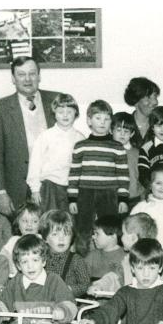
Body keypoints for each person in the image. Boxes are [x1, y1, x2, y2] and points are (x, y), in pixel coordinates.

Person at [0, 56, 61, 213]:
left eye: (32, 73)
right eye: (21, 74)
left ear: (39, 76)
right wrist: (1, 192)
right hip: (17, 189)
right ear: (13, 79)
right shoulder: (1, 107)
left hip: (52, 187)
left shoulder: (57, 100)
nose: (27, 79)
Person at [68, 100, 130, 257]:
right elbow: (74, 173)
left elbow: (123, 174)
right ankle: (82, 262)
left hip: (109, 194)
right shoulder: (81, 145)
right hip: (85, 193)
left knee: (109, 230)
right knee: (83, 229)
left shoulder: (117, 147)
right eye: (98, 118)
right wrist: (72, 199)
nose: (102, 123)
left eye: (106, 119)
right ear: (89, 121)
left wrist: (123, 199)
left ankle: (109, 263)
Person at [26, 93, 85, 212]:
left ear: (76, 114)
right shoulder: (46, 136)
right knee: (49, 220)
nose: (65, 115)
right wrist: (35, 189)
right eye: (60, 112)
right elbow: (35, 163)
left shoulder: (80, 138)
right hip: (49, 187)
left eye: (69, 111)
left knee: (68, 222)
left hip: (71, 189)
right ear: (54, 114)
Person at [87, 212, 160, 294]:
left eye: (123, 234)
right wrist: (100, 286)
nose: (121, 237)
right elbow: (114, 277)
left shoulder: (155, 258)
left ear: (133, 238)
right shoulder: (127, 260)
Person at [39, 209, 90, 298]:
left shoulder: (76, 260)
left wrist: (69, 289)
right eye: (55, 234)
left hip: (68, 304)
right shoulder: (40, 259)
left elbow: (85, 285)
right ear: (45, 238)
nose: (61, 239)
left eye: (66, 234)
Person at [111, 112, 145, 209]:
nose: (122, 134)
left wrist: (142, 198)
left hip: (134, 199)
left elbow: (142, 178)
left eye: (126, 131)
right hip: (113, 199)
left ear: (132, 133)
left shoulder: (138, 153)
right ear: (111, 130)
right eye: (118, 130)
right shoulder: (107, 152)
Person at [0, 202, 42, 276]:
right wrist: (10, 265)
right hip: (16, 277)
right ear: (18, 223)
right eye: (25, 221)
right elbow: (3, 254)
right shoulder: (14, 240)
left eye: (34, 221)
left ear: (40, 224)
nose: (29, 224)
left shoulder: (41, 240)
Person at [84, 215, 124, 281]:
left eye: (97, 234)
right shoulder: (93, 256)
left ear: (112, 236)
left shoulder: (125, 257)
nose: (93, 237)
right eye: (94, 233)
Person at [123, 76, 160, 148]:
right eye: (148, 97)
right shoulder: (121, 125)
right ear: (136, 100)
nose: (155, 102)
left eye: (155, 97)